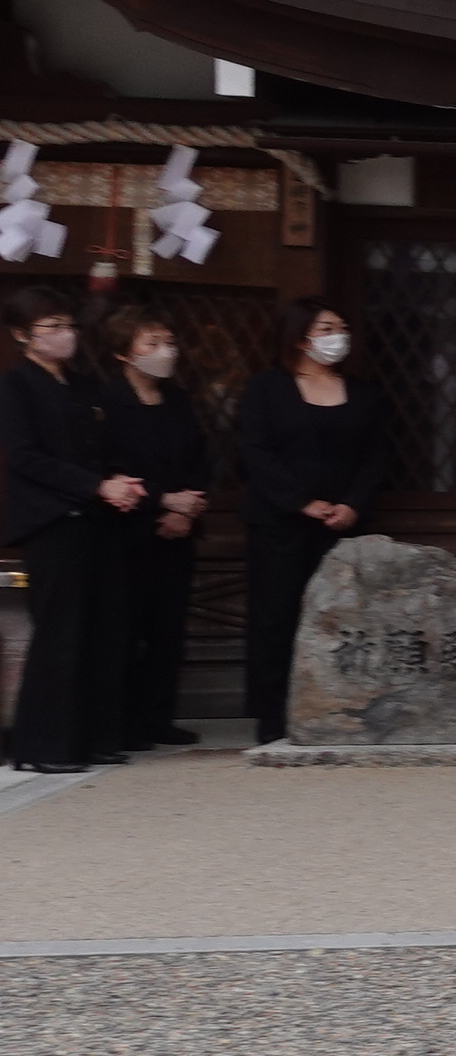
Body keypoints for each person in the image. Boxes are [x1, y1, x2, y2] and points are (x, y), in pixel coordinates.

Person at [2, 289, 146, 775]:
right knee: (60, 634)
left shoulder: (84, 385)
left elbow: (103, 445)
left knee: (104, 629)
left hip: (99, 519)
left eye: (68, 325)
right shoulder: (16, 386)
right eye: (52, 327)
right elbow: (25, 457)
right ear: (22, 335)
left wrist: (120, 482)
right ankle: (44, 746)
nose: (65, 335)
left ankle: (96, 737)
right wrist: (94, 485)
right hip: (53, 521)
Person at [234, 297, 388, 750]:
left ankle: (341, 709)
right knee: (276, 617)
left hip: (343, 525)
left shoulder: (364, 393)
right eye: (326, 328)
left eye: (341, 327)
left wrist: (353, 505)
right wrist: (300, 502)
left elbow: (378, 456)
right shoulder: (266, 389)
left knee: (346, 620)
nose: (337, 336)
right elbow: (256, 453)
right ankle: (273, 716)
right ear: (300, 338)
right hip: (280, 523)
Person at [96, 306, 212, 751]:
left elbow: (201, 458)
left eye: (170, 343)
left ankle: (159, 717)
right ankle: (123, 722)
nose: (166, 352)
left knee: (168, 630)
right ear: (124, 353)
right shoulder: (107, 401)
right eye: (153, 343)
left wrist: (186, 509)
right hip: (127, 531)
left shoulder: (178, 399)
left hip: (177, 532)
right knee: (126, 630)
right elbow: (108, 467)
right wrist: (162, 501)